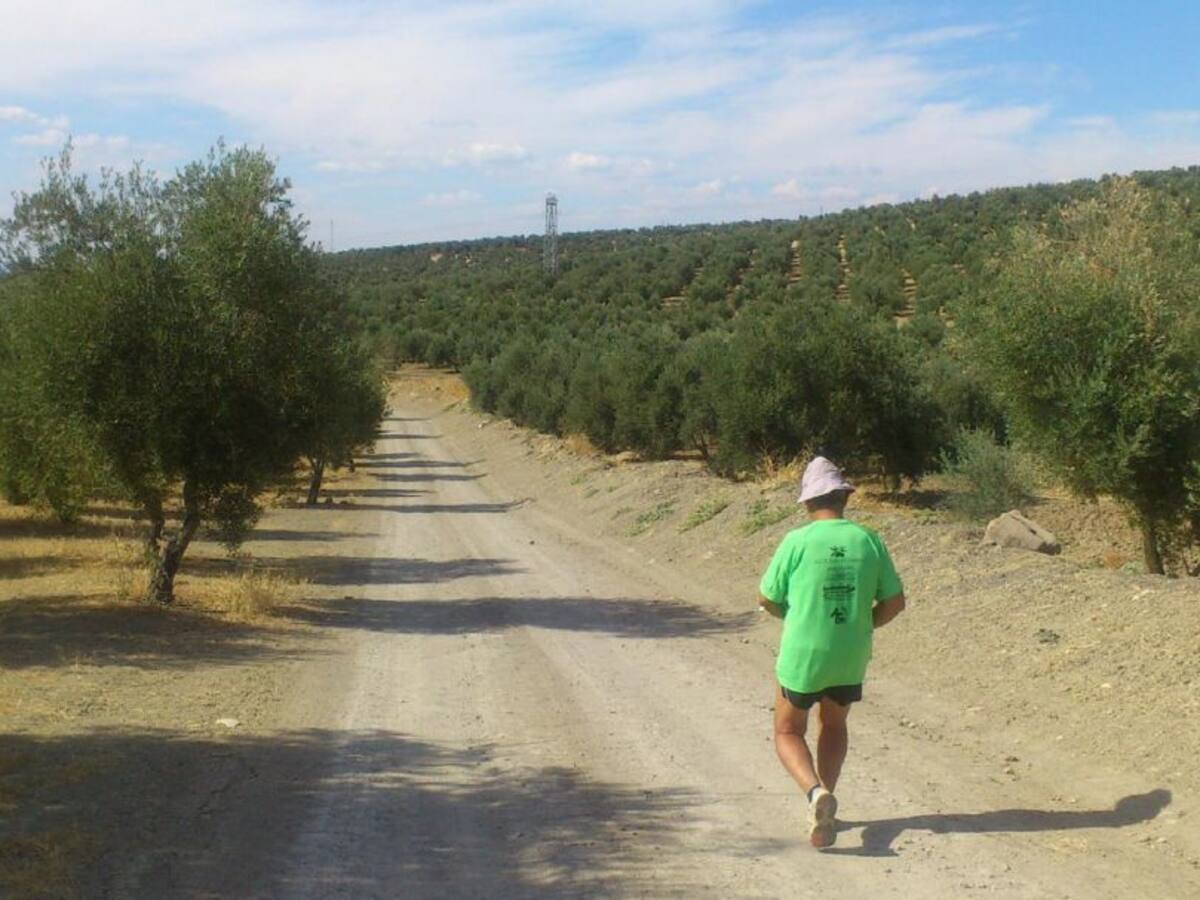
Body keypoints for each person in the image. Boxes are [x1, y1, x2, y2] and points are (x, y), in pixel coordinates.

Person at [758, 456, 906, 849]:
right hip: (850, 653)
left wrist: (794, 615)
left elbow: (767, 598)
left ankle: (814, 794)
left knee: (788, 730)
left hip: (803, 652)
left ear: (808, 502)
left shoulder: (797, 541)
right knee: (835, 725)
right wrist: (862, 625)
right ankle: (826, 806)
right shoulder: (868, 540)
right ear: (843, 498)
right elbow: (894, 602)